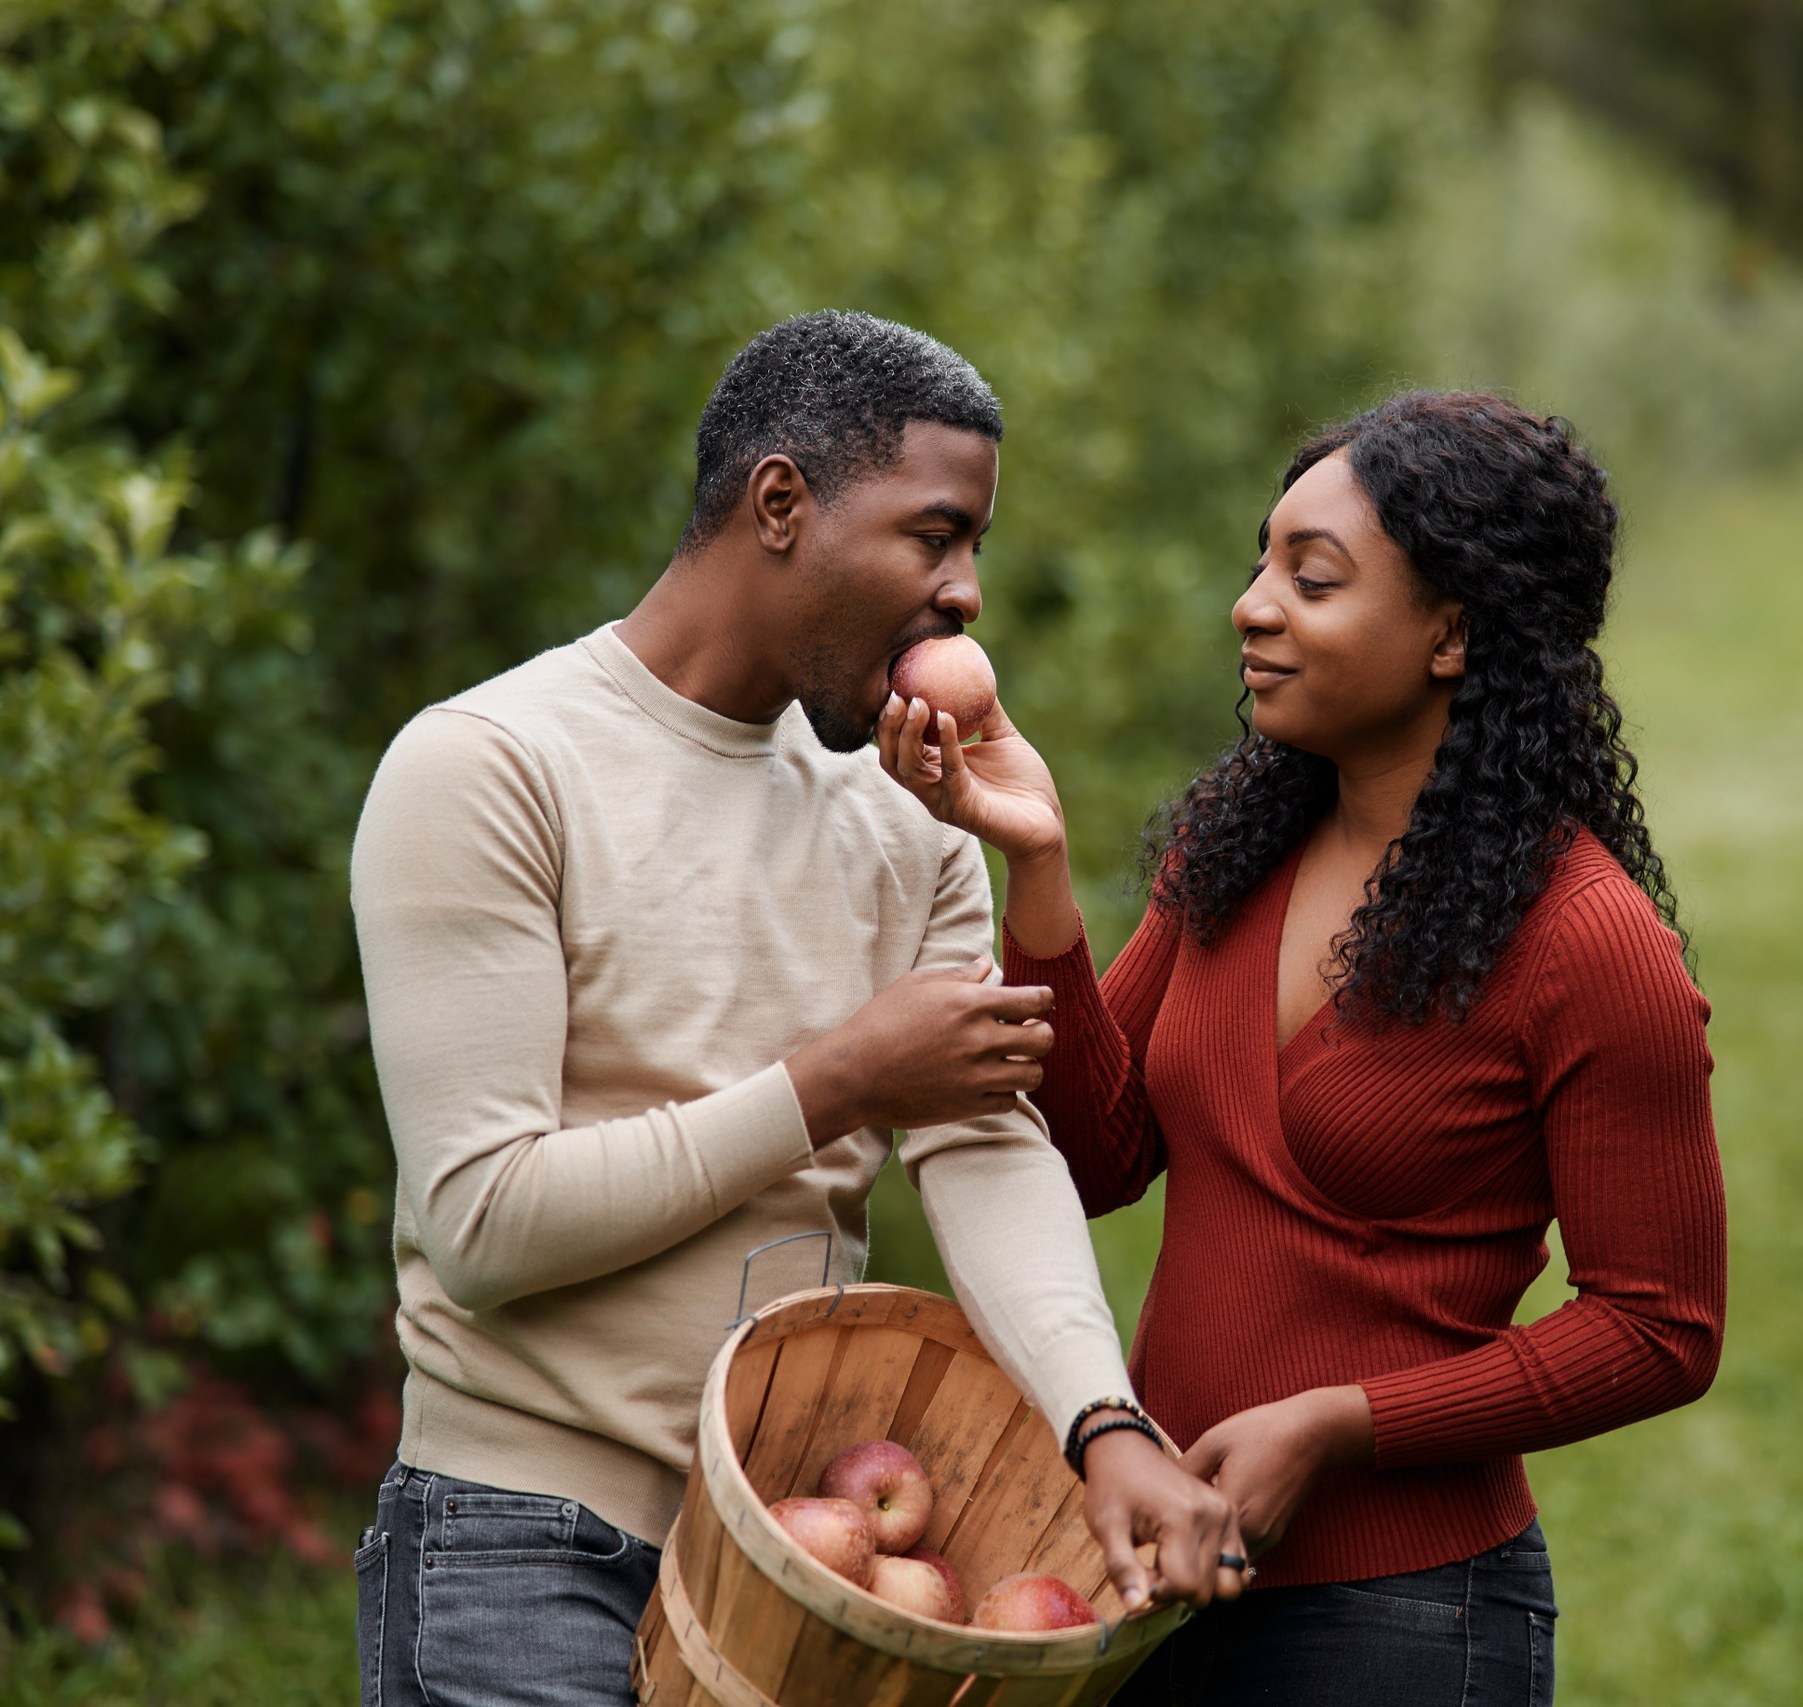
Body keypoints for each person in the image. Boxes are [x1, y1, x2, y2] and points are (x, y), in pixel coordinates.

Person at [347, 310, 1241, 1707]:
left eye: (976, 550)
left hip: (799, 1554)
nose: (966, 596)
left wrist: (1099, 1417)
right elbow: (482, 1225)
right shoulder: (488, 768)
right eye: (934, 536)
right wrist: (832, 1082)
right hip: (518, 1549)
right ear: (782, 503)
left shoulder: (914, 814)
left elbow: (987, 1146)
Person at [880, 392, 1727, 1704]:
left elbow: (1661, 1328)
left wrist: (1348, 1424)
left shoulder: (1583, 941)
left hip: (1403, 1618)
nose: (1253, 605)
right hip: (1158, 1575)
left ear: (1452, 634)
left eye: (1312, 579)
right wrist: (1036, 867)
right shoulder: (1240, 855)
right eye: (1261, 563)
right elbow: (1097, 1156)